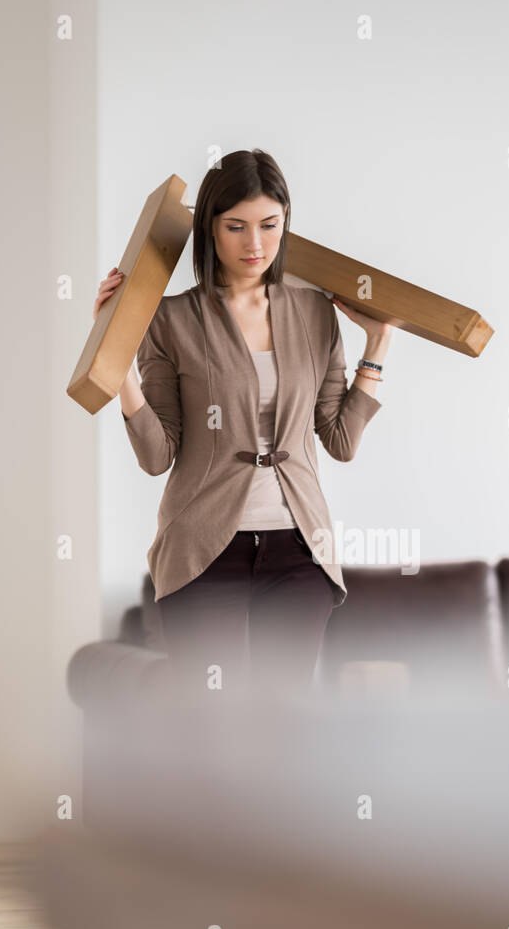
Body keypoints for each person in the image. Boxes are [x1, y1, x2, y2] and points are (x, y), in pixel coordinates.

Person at [94, 148, 393, 704]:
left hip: (299, 552)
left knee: (283, 726)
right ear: (210, 229)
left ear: (285, 224)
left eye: (269, 226)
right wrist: (119, 360)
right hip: (203, 552)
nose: (254, 245)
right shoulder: (171, 319)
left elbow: (341, 440)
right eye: (235, 227)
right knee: (215, 728)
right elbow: (158, 456)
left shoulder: (314, 313)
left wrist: (376, 345)